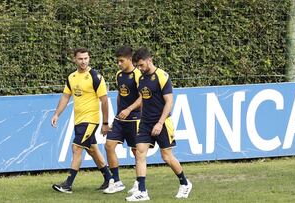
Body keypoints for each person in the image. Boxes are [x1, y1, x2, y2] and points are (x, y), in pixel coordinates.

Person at [125, 47, 192, 201]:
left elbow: (169, 102)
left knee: (166, 156)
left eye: (141, 65)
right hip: (145, 122)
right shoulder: (141, 78)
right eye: (137, 66)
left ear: (150, 60)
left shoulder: (162, 76)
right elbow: (143, 98)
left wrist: (160, 123)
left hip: (162, 122)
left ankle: (184, 182)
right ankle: (142, 191)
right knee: (139, 152)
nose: (140, 69)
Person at [51, 47, 113, 193]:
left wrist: (105, 123)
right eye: (80, 59)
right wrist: (56, 114)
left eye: (86, 58)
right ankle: (109, 179)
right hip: (79, 120)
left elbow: (104, 101)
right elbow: (66, 97)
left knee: (76, 148)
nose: (83, 61)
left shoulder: (95, 76)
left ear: (89, 58)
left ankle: (68, 184)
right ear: (75, 59)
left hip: (91, 120)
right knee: (92, 149)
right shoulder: (71, 77)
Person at [103, 45, 142, 194]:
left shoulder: (138, 74)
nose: (119, 64)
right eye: (117, 61)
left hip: (134, 118)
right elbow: (120, 95)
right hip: (121, 118)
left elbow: (142, 98)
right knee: (109, 145)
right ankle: (117, 181)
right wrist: (118, 114)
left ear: (130, 59)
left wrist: (129, 109)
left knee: (136, 152)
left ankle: (139, 182)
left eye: (121, 61)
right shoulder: (119, 75)